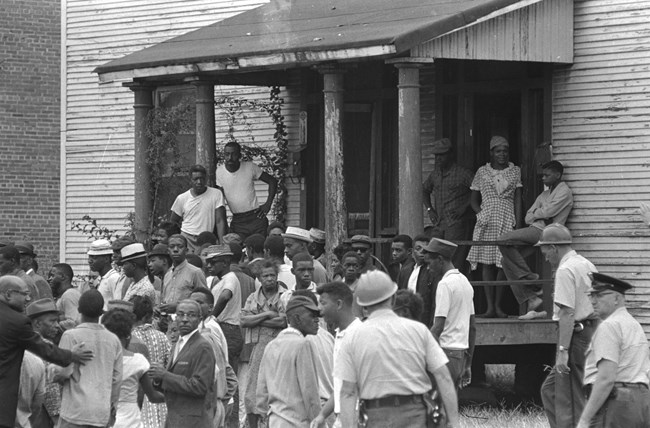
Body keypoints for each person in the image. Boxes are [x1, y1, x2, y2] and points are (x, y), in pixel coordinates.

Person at [335, 271, 459, 428]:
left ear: (363, 306)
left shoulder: (352, 338)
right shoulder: (419, 330)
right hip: (416, 414)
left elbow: (348, 392)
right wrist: (453, 422)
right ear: (393, 299)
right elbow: (443, 376)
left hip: (375, 416)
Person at [0, 276, 93, 428]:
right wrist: (72, 355)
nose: (28, 298)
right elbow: (47, 393)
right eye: (24, 294)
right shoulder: (16, 323)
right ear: (9, 294)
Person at [536, 224, 599, 428]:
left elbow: (566, 312)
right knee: (551, 390)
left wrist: (562, 350)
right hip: (590, 332)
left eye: (545, 251)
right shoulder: (587, 264)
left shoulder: (564, 270)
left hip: (575, 335)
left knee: (570, 399)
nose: (545, 257)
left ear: (554, 247)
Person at [499, 160, 574, 313]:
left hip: (549, 232)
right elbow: (527, 217)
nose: (543, 178)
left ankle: (533, 281)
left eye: (547, 175)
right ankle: (532, 297)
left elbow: (548, 213)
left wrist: (537, 213)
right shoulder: (544, 194)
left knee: (502, 239)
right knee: (505, 260)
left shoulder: (564, 191)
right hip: (536, 229)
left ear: (558, 175)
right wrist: (538, 214)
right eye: (542, 175)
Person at [577, 273, 650, 428]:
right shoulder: (633, 324)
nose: (592, 301)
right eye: (591, 295)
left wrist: (584, 419)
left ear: (616, 298)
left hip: (615, 404)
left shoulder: (609, 326)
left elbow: (605, 378)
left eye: (599, 295)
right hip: (640, 401)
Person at [467, 136, 522, 318]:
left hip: (507, 218)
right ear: (491, 153)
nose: (502, 154)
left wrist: (518, 223)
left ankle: (499, 306)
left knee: (503, 263)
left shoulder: (515, 171)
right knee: (487, 263)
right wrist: (480, 214)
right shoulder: (482, 172)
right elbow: (473, 200)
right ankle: (489, 307)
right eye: (498, 151)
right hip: (487, 219)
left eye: (505, 151)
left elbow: (517, 199)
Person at [54, 289, 123, 428]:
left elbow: (61, 373)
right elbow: (117, 379)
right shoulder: (113, 339)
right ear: (101, 313)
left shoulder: (70, 336)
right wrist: (111, 405)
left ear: (79, 309)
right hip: (100, 412)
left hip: (74, 412)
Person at [255, 296, 321, 427]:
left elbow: (261, 392)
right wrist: (319, 422)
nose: (317, 320)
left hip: (275, 421)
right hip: (296, 422)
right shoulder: (303, 345)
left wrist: (263, 416)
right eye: (312, 316)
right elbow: (310, 394)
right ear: (297, 318)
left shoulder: (271, 345)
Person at [149, 299, 216, 428]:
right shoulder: (177, 345)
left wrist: (164, 375)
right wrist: (157, 380)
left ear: (199, 319)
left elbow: (200, 386)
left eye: (191, 315)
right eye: (180, 314)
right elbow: (172, 384)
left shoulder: (203, 346)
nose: (185, 319)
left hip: (193, 422)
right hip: (175, 419)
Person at [240, 260, 287, 428]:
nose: (269, 279)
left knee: (278, 386)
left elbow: (283, 321)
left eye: (272, 275)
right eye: (265, 276)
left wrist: (257, 319)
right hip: (258, 347)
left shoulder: (284, 295)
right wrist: (268, 314)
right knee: (253, 388)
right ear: (259, 278)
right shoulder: (253, 297)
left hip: (280, 347)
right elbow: (244, 320)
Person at [424, 238, 476, 390]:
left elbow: (438, 327)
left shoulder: (445, 284)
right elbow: (472, 327)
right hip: (459, 355)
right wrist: (468, 364)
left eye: (429, 263)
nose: (428, 268)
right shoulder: (465, 282)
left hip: (445, 352)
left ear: (440, 260)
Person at [102, 308, 165, 428]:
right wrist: (175, 398)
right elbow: (153, 396)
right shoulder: (138, 361)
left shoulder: (99, 360)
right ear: (128, 335)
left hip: (104, 419)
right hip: (130, 421)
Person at [311, 282, 361, 428]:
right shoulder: (339, 335)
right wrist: (322, 416)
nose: (319, 309)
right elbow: (340, 385)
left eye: (323, 303)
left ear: (339, 304)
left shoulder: (359, 335)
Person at [422, 137, 474, 271]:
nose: (439, 158)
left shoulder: (463, 173)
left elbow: (479, 190)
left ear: (450, 154)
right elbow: (424, 190)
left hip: (456, 224)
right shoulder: (435, 174)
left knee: (454, 261)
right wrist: (429, 209)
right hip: (439, 224)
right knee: (433, 258)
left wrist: (465, 206)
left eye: (442, 155)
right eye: (436, 155)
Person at [216, 141, 278, 240]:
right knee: (236, 250)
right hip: (238, 220)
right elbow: (219, 200)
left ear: (239, 155)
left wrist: (268, 204)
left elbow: (272, 181)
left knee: (259, 248)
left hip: (256, 218)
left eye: (234, 154)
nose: (230, 158)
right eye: (227, 154)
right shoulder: (219, 172)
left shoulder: (250, 167)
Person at [24, 298, 68, 427]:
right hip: (40, 413)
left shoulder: (21, 341)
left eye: (57, 321)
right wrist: (56, 419)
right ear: (37, 324)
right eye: (52, 321)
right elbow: (50, 388)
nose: (57, 325)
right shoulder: (44, 347)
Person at [131, 296, 170, 428]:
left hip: (137, 395)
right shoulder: (162, 336)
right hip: (158, 395)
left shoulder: (129, 338)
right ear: (149, 315)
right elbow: (169, 364)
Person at [170, 164, 227, 253]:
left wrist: (222, 243)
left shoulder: (216, 194)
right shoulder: (182, 198)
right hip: (187, 238)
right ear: (190, 180)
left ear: (206, 179)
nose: (199, 182)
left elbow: (220, 220)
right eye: (195, 179)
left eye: (202, 178)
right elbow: (173, 222)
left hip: (206, 238)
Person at [160, 234, 207, 314]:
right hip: (168, 321)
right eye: (172, 246)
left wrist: (179, 306)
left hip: (187, 320)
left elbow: (204, 300)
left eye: (180, 246)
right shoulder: (167, 274)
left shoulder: (195, 272)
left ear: (186, 250)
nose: (175, 249)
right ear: (168, 251)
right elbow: (163, 299)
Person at [397, 234, 436, 326]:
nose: (422, 251)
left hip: (424, 320)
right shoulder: (406, 271)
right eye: (418, 248)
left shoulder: (432, 271)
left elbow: (434, 302)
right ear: (412, 251)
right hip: (405, 320)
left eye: (425, 249)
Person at [88, 239, 120, 309]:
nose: (90, 261)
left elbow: (117, 308)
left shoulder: (114, 278)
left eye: (94, 257)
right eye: (89, 257)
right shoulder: (101, 278)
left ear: (106, 259)